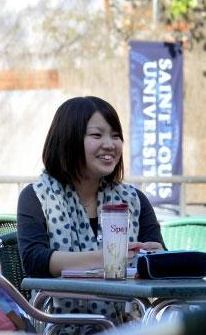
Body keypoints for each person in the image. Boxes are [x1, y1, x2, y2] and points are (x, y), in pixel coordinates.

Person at [17, 96, 165, 323]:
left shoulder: (134, 200)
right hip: (59, 326)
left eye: (116, 136)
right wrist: (110, 259)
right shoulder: (37, 197)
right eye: (97, 135)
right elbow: (35, 261)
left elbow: (160, 265)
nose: (110, 144)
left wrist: (154, 257)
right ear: (68, 139)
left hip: (129, 327)